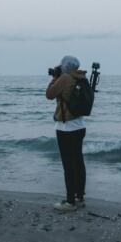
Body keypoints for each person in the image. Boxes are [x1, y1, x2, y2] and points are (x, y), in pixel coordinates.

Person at [46, 55, 87, 212]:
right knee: (78, 162)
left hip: (65, 128)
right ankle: (80, 197)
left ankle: (70, 202)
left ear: (65, 66)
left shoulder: (65, 78)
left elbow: (49, 94)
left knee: (68, 165)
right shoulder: (81, 77)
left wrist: (54, 78)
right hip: (80, 126)